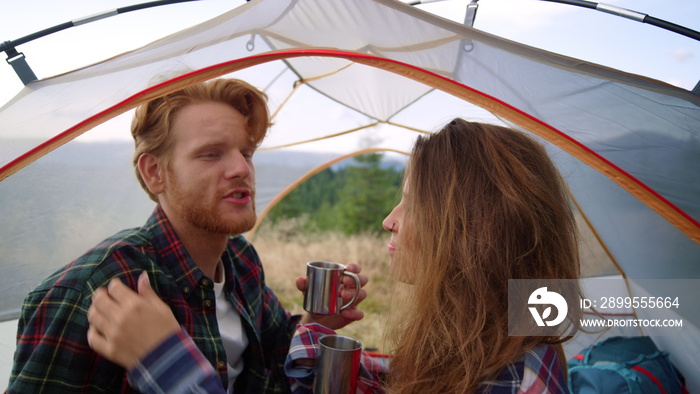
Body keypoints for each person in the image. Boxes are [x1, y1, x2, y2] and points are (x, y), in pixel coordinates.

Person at [87, 119, 582, 393]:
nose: (390, 220)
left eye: (413, 202)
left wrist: (168, 367)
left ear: (473, 230)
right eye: (212, 154)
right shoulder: (480, 345)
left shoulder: (520, 379)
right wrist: (317, 324)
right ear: (155, 173)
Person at [7, 78, 367, 393]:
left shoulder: (241, 261)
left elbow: (270, 358)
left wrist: (315, 324)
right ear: (154, 173)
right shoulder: (93, 291)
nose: (242, 168)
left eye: (246, 152)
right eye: (211, 154)